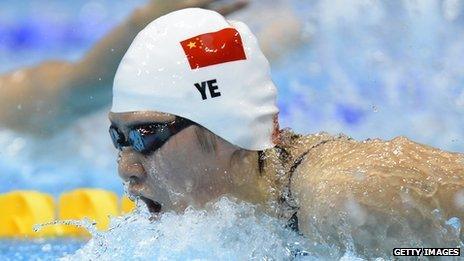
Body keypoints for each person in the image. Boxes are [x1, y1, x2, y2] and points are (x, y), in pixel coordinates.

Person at [108, 8, 464, 257]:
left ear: (228, 132)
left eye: (146, 135)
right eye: (119, 139)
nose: (126, 167)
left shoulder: (346, 199)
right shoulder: (247, 218)